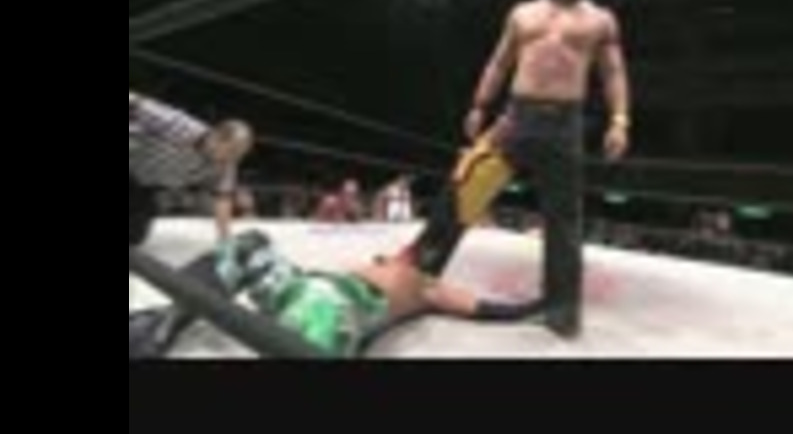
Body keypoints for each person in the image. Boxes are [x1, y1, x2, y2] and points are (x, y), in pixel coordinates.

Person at [397, 0, 633, 338]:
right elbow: (499, 62)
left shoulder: (600, 19)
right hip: (516, 117)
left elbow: (613, 71)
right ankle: (422, 268)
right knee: (465, 187)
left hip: (565, 124)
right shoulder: (523, 13)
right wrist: (479, 105)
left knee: (563, 217)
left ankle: (562, 308)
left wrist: (620, 120)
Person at [129, 230, 543, 359]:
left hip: (346, 306)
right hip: (299, 284)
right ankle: (163, 323)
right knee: (249, 244)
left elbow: (482, 308)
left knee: (321, 309)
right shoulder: (386, 258)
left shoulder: (429, 284)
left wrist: (534, 308)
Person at [129, 91, 254, 246]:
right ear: (216, 136)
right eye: (230, 151)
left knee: (134, 236)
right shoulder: (180, 125)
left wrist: (224, 238)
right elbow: (136, 102)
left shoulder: (226, 165)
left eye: (238, 154)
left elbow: (222, 200)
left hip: (143, 183)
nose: (231, 159)